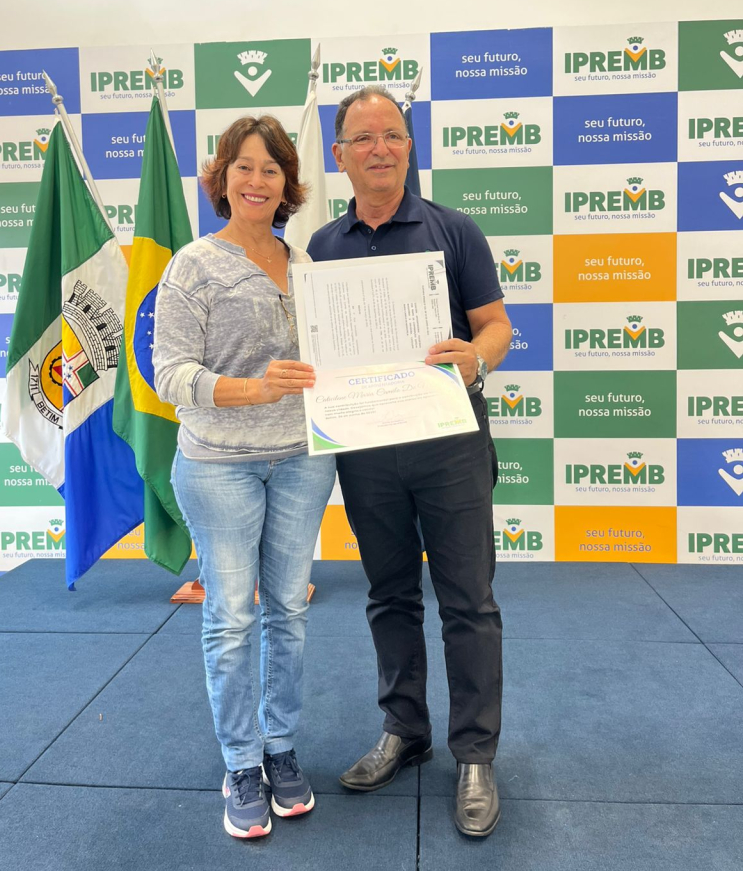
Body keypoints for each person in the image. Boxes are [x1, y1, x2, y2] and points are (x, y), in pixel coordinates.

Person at [308, 86, 512, 838]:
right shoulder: (320, 248)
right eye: (364, 138)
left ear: (409, 145)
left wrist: (475, 359)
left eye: (392, 135)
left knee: (468, 601)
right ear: (340, 155)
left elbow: (496, 326)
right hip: (366, 451)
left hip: (450, 445)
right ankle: (405, 729)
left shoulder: (454, 230)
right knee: (389, 596)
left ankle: (475, 755)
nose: (380, 149)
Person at [153, 115, 336, 840]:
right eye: (244, 167)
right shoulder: (193, 264)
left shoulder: (309, 267)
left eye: (271, 169)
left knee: (288, 609)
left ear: (288, 183)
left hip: (303, 459)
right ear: (222, 179)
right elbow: (169, 374)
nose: (257, 181)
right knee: (231, 617)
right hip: (217, 465)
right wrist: (254, 389)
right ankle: (239, 763)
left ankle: (280, 748)